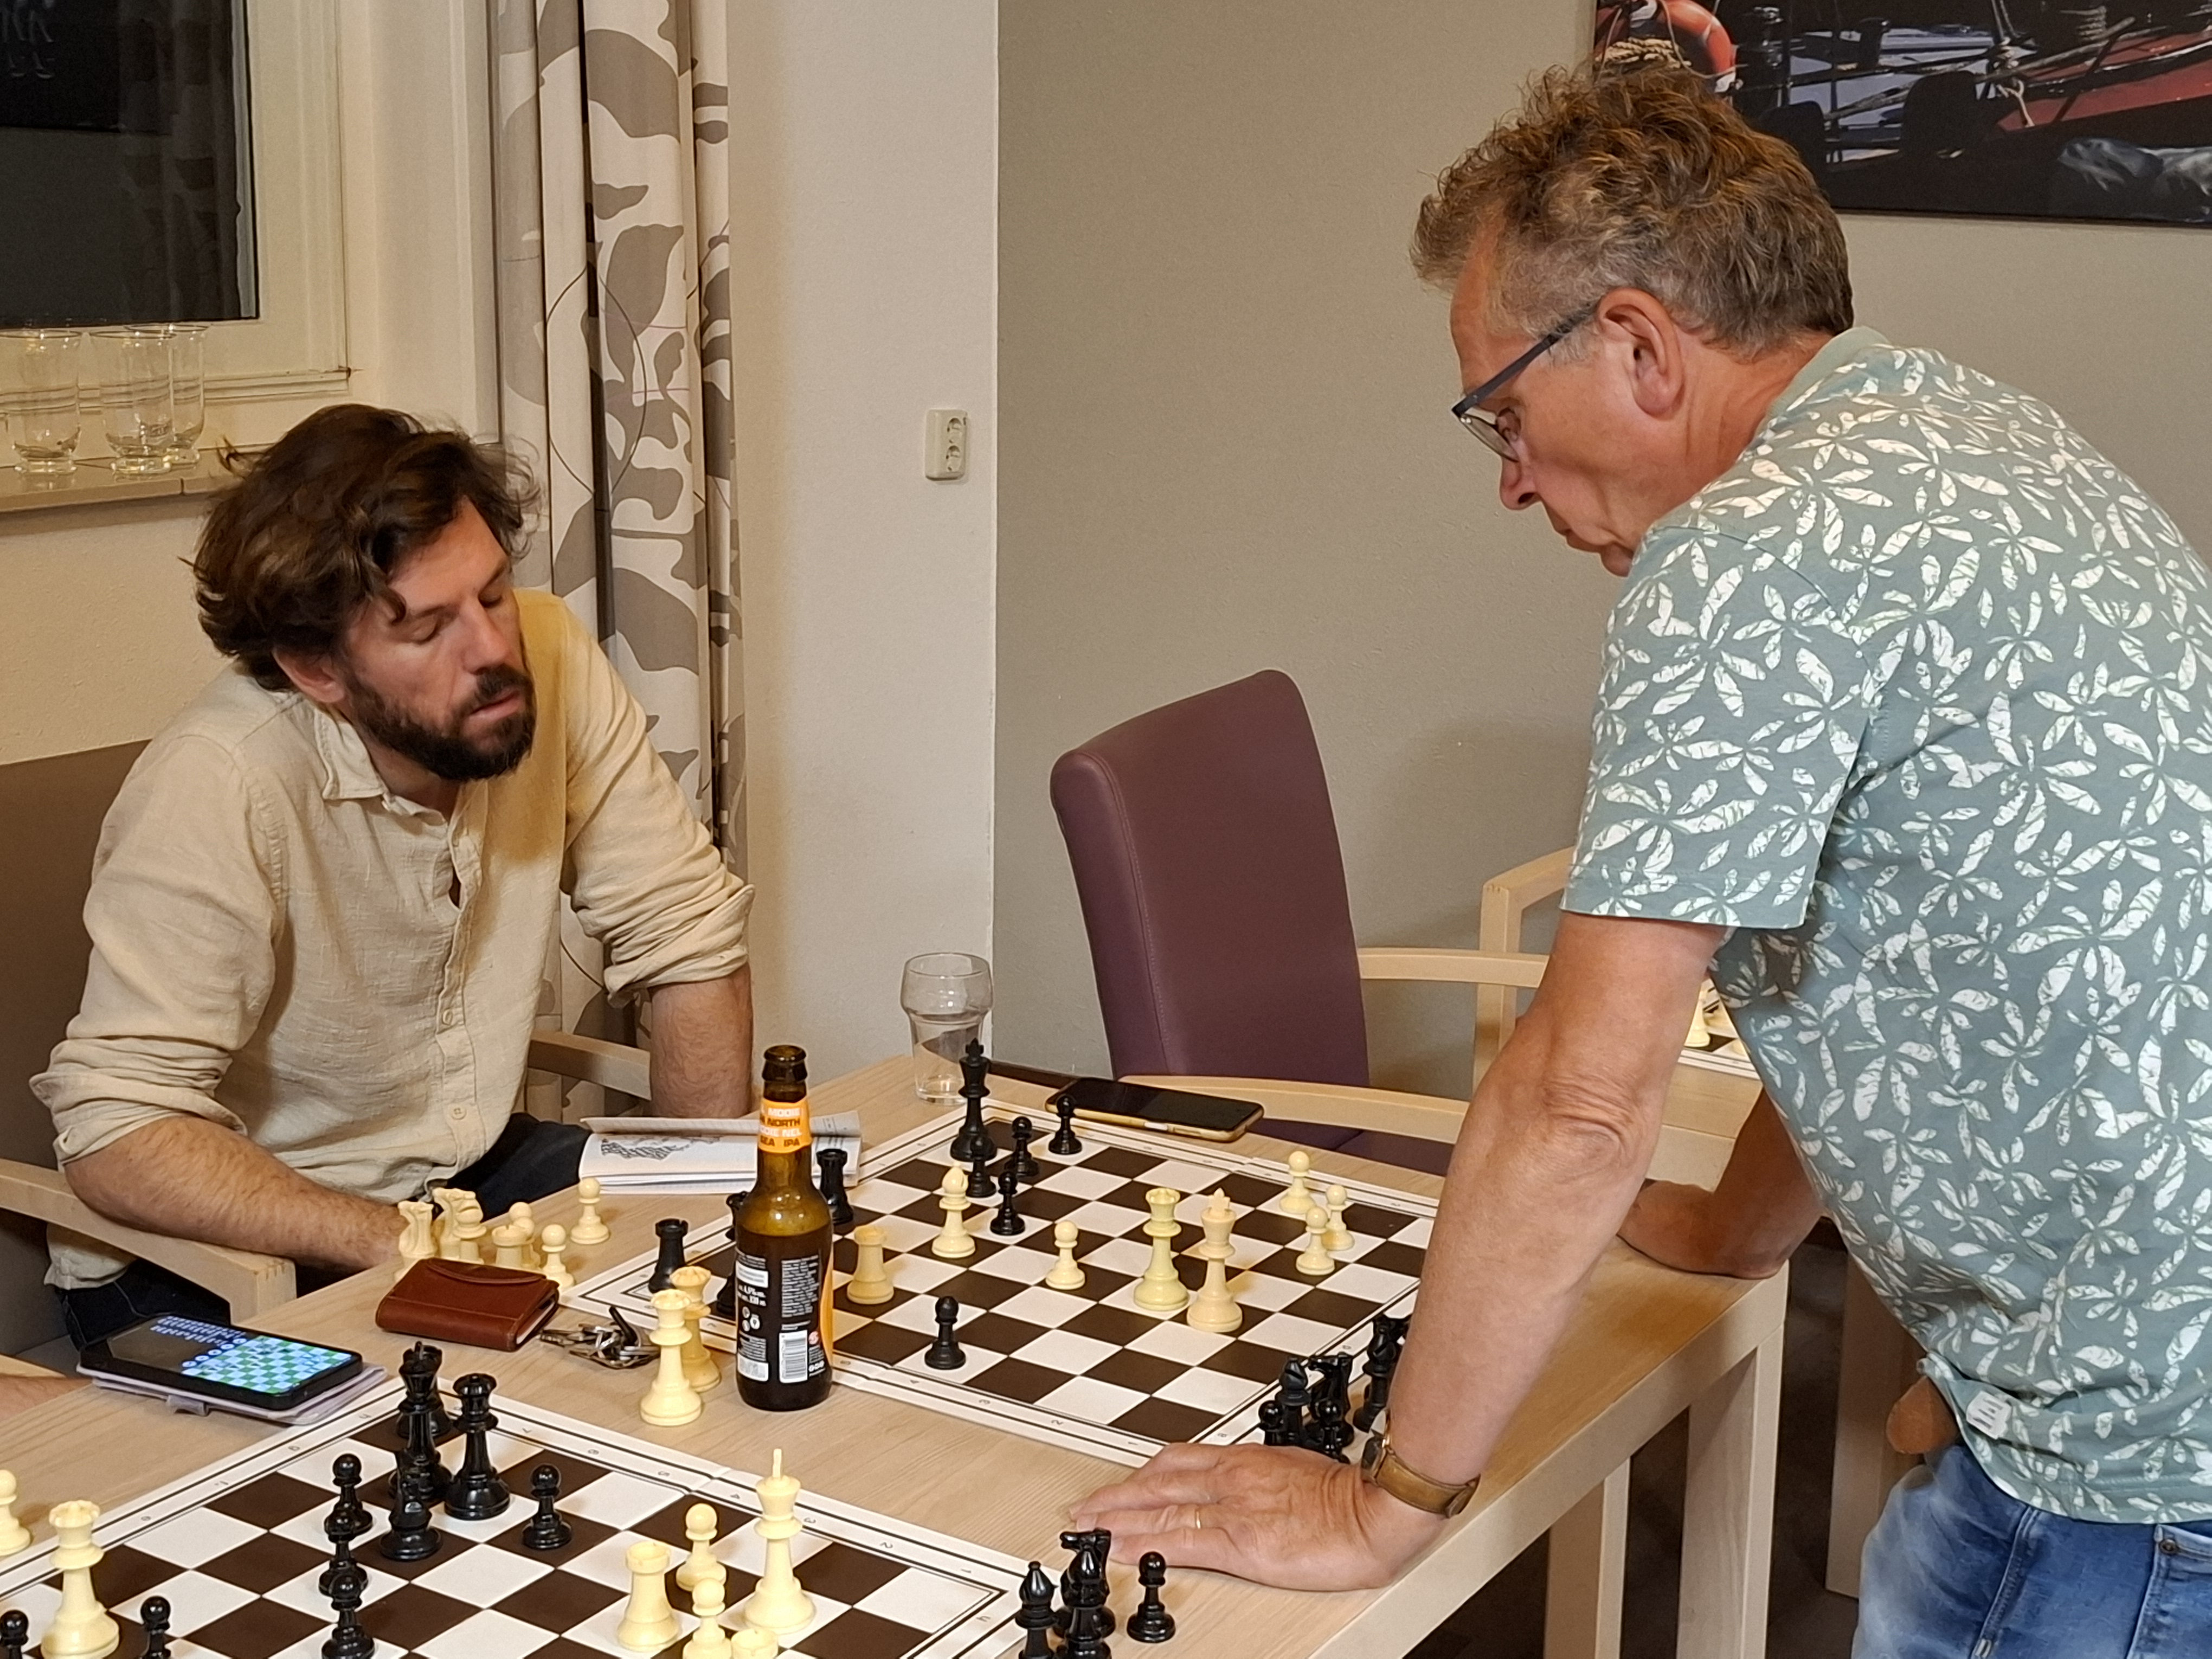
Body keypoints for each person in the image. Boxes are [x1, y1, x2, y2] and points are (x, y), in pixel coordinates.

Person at [1076, 65, 2212, 1654]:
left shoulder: (1749, 553)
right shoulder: (1968, 434)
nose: (1510, 479)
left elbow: (1582, 1100)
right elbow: (1901, 951)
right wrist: (1741, 1231)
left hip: (2133, 1472)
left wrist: (1383, 1502)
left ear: (1636, 347)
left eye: (1503, 413)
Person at [35, 405, 755, 1347]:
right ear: (317, 670)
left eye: (493, 595)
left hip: (458, 1183)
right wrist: (407, 1248)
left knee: (763, 1295)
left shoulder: (547, 652)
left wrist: (706, 1217)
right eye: (427, 630)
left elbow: (686, 933)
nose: (492, 652)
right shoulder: (219, 780)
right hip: (210, 1256)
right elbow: (117, 1131)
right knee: (485, 1418)